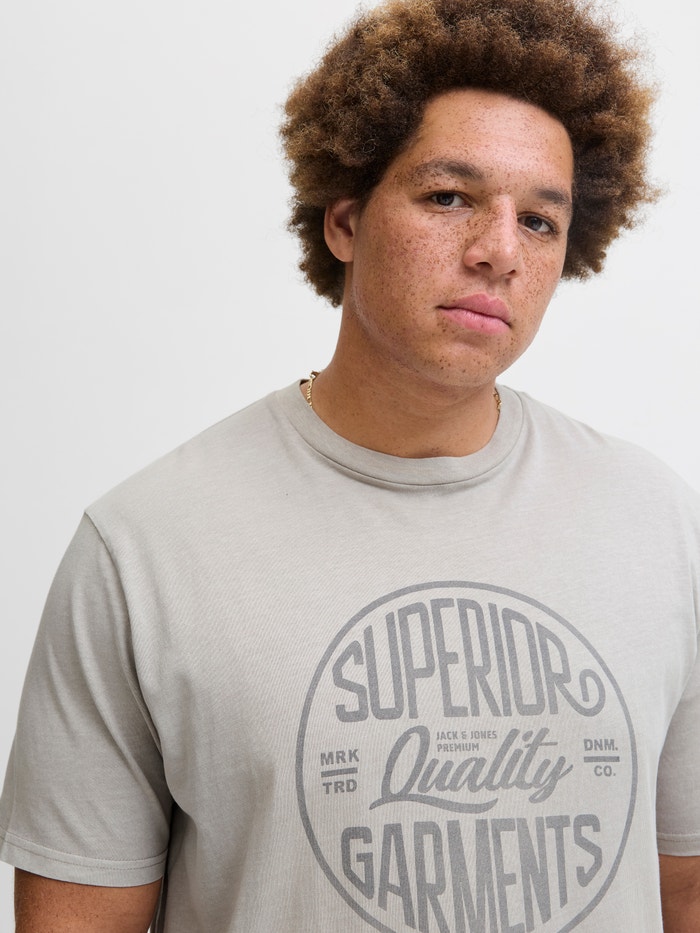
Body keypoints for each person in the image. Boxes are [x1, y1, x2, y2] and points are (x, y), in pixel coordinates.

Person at [1, 0, 699, 929]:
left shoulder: (657, 524)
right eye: (448, 197)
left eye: (539, 220)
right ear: (343, 221)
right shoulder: (143, 550)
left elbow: (684, 890)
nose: (499, 251)